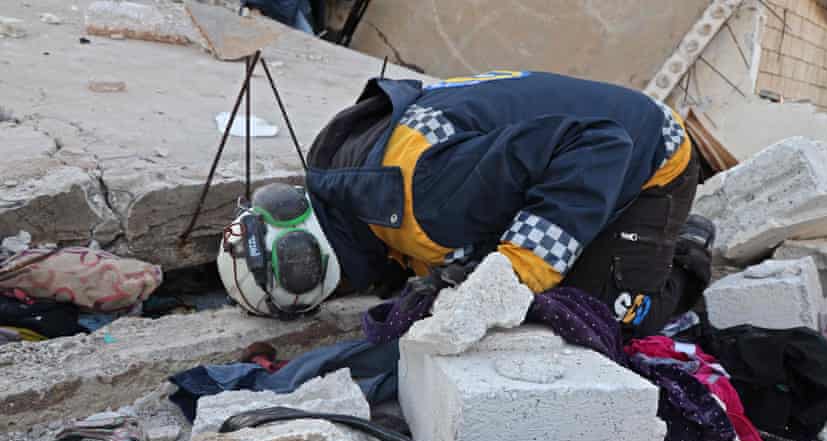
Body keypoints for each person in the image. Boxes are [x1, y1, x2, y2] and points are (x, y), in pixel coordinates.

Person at [217, 70, 715, 338]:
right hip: (574, 154)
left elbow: (600, 144)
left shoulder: (425, 204)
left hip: (650, 154)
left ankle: (687, 247)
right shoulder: (352, 180)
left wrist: (516, 271)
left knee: (603, 316)